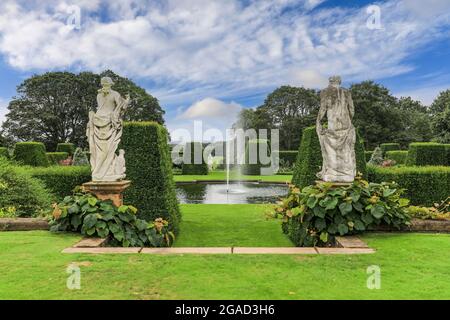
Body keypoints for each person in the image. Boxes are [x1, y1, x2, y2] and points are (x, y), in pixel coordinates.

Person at [86, 77, 130, 181]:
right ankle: (100, 173)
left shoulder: (100, 95)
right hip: (108, 123)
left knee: (101, 150)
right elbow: (121, 108)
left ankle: (101, 172)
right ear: (110, 84)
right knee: (106, 149)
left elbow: (105, 108)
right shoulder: (114, 94)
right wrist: (127, 101)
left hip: (98, 121)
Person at [316, 76, 356, 183]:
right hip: (346, 125)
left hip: (333, 125)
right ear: (340, 81)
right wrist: (349, 120)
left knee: (331, 151)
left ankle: (332, 173)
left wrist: (318, 121)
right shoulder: (346, 92)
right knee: (346, 151)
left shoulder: (325, 92)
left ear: (330, 81)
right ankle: (347, 174)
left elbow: (323, 109)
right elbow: (352, 110)